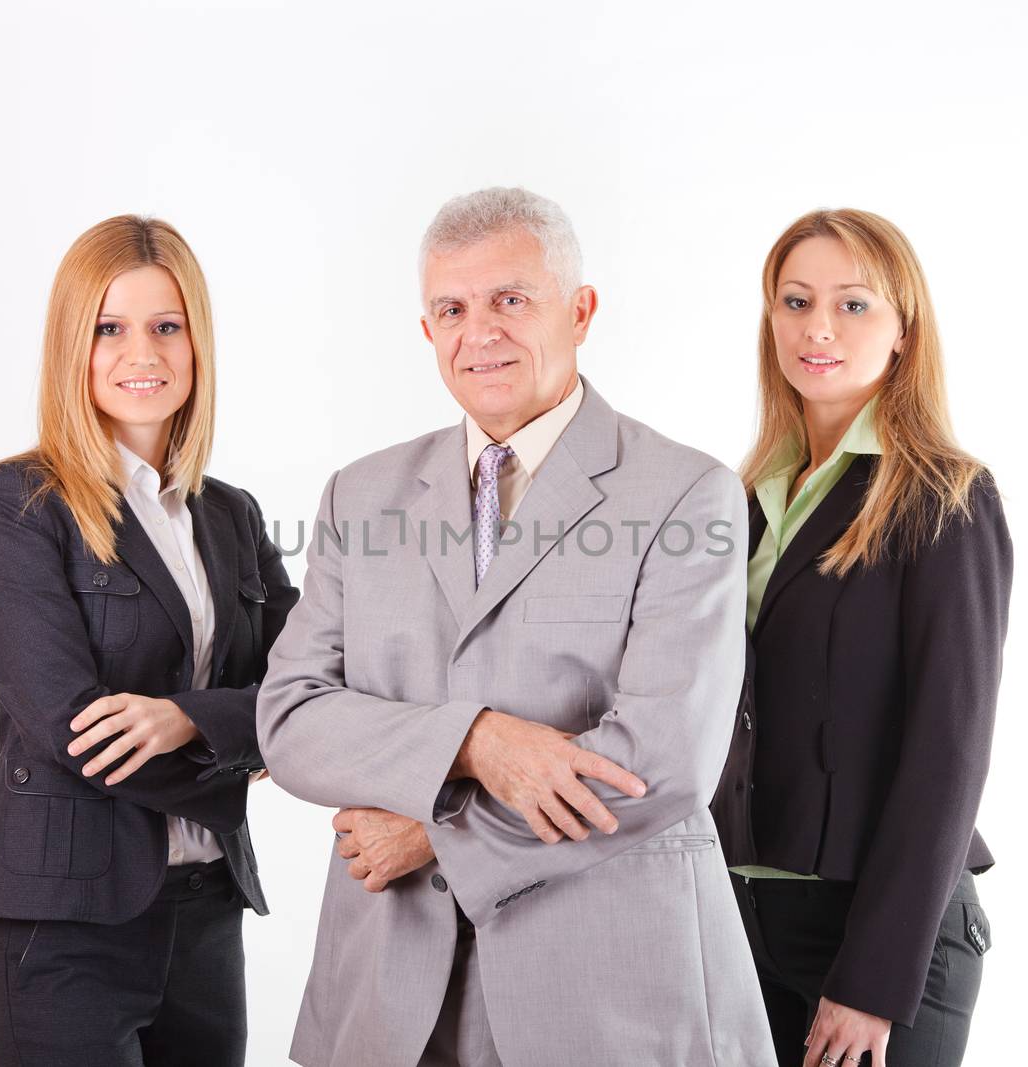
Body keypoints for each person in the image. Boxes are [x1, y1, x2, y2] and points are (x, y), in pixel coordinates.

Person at [256, 187, 774, 1066]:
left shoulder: (688, 493)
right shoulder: (360, 493)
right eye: (451, 308)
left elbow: (665, 757)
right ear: (427, 332)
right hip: (386, 993)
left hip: (605, 992)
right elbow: (291, 720)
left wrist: (434, 833)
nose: (479, 332)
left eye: (510, 300)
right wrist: (476, 742)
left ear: (580, 311)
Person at [0, 215, 297, 1067]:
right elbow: (74, 725)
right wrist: (247, 754)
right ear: (73, 342)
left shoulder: (233, 515)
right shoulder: (15, 503)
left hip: (208, 911)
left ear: (197, 343)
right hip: (64, 925)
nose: (140, 352)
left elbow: (310, 683)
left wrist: (189, 717)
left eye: (165, 326)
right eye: (109, 328)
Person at [710, 208, 1011, 1067]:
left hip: (881, 937)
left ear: (904, 330)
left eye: (853, 305)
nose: (817, 328)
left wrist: (874, 979)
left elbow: (948, 752)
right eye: (796, 301)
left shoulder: (943, 498)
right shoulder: (738, 499)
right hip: (743, 925)